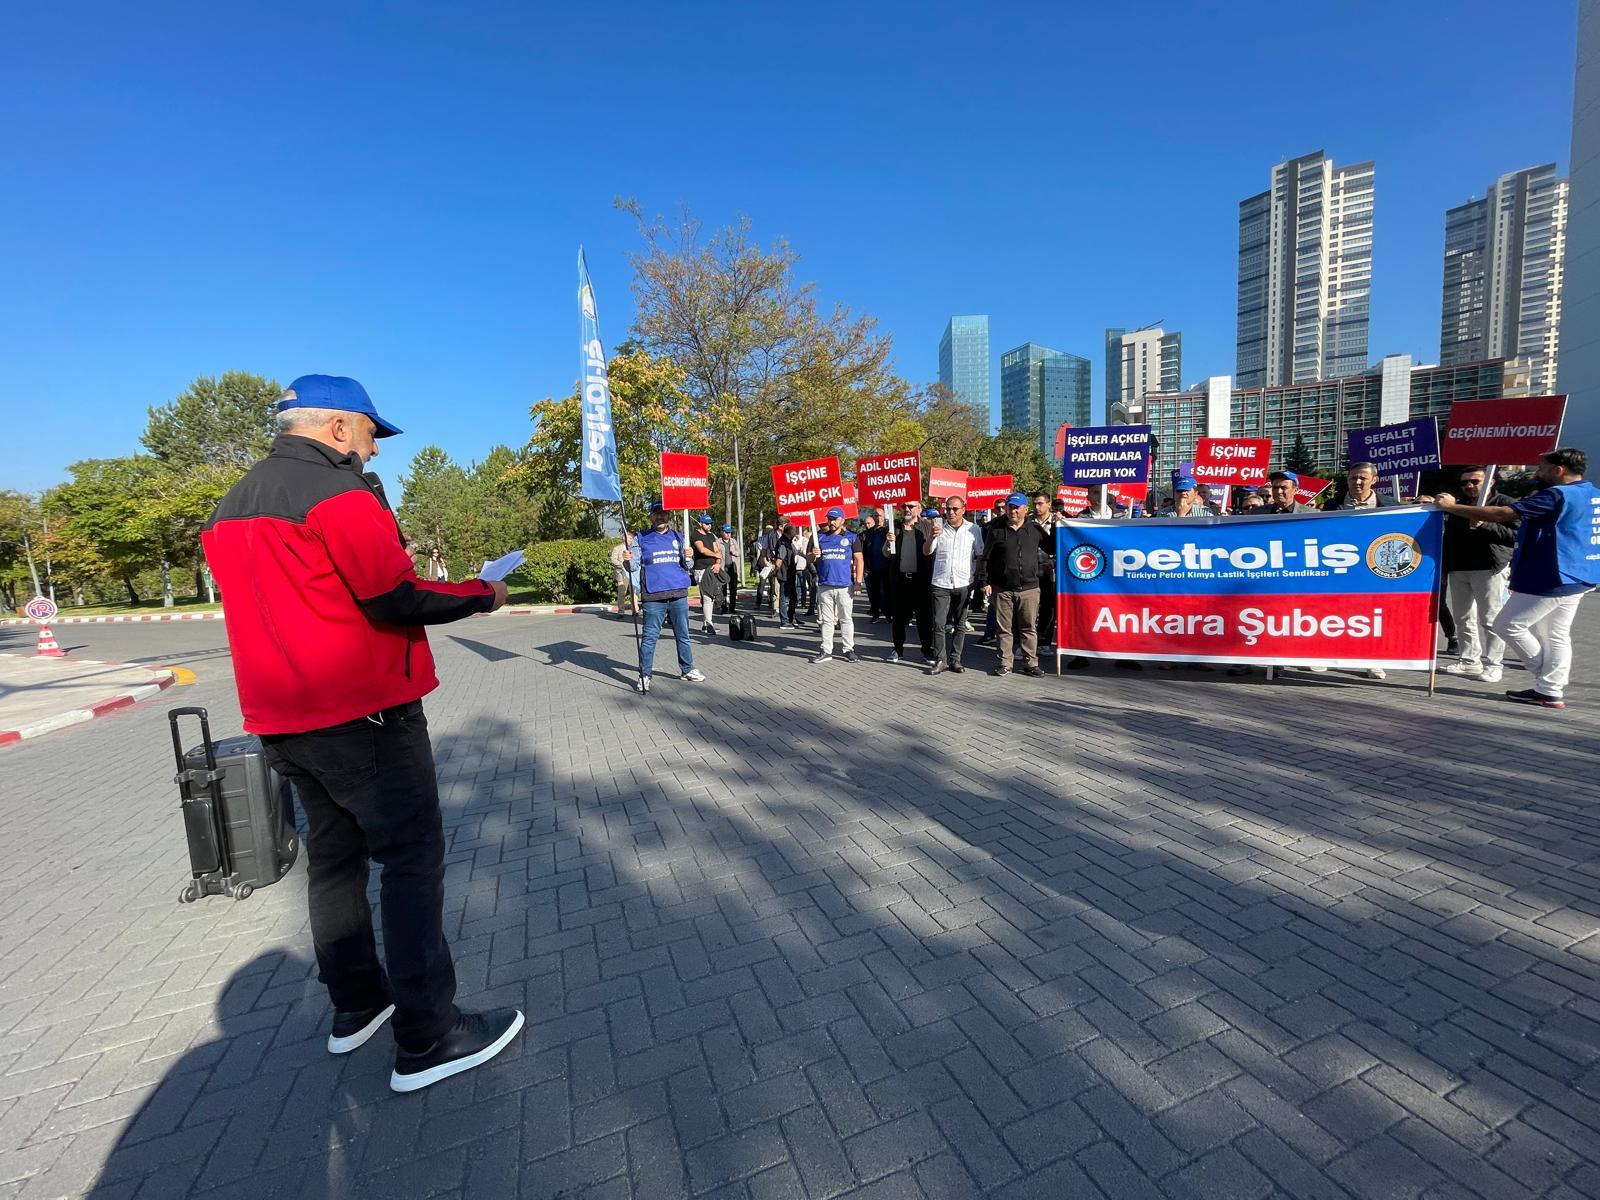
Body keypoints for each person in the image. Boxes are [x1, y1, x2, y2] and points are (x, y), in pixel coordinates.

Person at [200, 374, 523, 1094]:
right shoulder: (340, 495)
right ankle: (429, 1035)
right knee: (411, 862)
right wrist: (483, 593)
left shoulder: (228, 508)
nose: (374, 452)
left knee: (335, 863)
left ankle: (357, 1004)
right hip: (364, 715)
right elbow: (394, 594)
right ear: (340, 427)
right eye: (372, 435)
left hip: (282, 719)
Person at [1430, 448, 1600, 710]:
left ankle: (1545, 675)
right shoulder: (1591, 493)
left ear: (1559, 470)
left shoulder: (1556, 495)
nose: (1537, 472)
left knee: (1506, 625)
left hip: (1551, 575)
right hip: (1577, 574)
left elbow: (1503, 515)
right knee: (1555, 635)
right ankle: (1550, 690)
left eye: (1541, 468)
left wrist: (1451, 507)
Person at [1437, 466, 1517, 683]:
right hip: (1459, 568)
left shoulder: (1506, 503)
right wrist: (1445, 567)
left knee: (1491, 618)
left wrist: (1486, 525)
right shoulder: (1456, 506)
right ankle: (1469, 661)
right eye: (1464, 483)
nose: (1469, 486)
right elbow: (1448, 537)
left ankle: (1494, 664)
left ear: (1490, 482)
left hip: (1490, 568)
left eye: (1474, 481)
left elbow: (1516, 535)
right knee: (1464, 618)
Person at [624, 501, 707, 691]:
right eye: (656, 513)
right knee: (650, 637)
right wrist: (627, 561)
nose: (660, 516)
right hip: (653, 596)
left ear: (669, 515)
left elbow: (688, 566)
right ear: (651, 516)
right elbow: (634, 566)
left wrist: (689, 556)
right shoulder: (641, 538)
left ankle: (687, 669)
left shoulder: (679, 536)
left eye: (663, 513)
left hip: (678, 593)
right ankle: (644, 675)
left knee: (683, 635)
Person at [982, 493, 1050, 677]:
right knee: (1004, 629)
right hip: (1002, 588)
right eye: (1010, 506)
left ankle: (1030, 663)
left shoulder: (1034, 528)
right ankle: (1005, 662)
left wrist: (1060, 526)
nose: (1013, 510)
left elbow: (1051, 547)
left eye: (1017, 507)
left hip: (1029, 588)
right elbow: (985, 557)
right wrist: (984, 582)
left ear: (1025, 509)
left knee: (1029, 627)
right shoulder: (996, 529)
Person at [925, 495, 983, 675]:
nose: (950, 512)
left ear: (963, 510)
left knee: (960, 623)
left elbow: (979, 554)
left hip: (964, 582)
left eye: (954, 509)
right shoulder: (938, 528)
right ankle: (941, 659)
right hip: (941, 582)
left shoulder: (973, 529)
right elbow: (927, 551)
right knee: (939, 623)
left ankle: (955, 659)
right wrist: (931, 537)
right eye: (948, 509)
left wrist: (976, 577)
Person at [810, 506, 864, 664]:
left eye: (834, 519)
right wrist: (813, 554)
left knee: (846, 619)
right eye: (829, 518)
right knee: (826, 621)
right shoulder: (819, 537)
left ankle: (849, 649)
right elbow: (808, 560)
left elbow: (859, 560)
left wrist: (858, 583)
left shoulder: (852, 537)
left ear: (842, 520)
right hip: (825, 584)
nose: (831, 522)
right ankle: (826, 650)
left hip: (844, 585)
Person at [885, 501, 934, 664]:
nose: (907, 509)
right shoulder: (894, 527)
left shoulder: (927, 526)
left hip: (921, 581)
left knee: (924, 619)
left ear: (919, 509)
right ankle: (897, 649)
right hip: (899, 581)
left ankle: (927, 649)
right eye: (904, 506)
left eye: (911, 506)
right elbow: (886, 554)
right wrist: (888, 541)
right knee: (898, 618)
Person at [1032, 493, 1060, 652]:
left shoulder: (1058, 523)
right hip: (1031, 571)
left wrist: (1053, 562)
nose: (1037, 507)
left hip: (1050, 572)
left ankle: (1044, 641)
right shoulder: (1028, 522)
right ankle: (1025, 642)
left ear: (1048, 504)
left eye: (1040, 504)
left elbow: (1062, 547)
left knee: (1048, 608)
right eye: (1035, 504)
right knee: (1029, 608)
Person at [690, 514, 722, 635]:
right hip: (701, 569)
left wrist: (718, 563)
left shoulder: (711, 536)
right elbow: (702, 549)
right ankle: (709, 624)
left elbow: (716, 549)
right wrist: (716, 555)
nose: (709, 525)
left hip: (712, 569)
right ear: (700, 523)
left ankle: (705, 624)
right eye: (706, 523)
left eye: (710, 523)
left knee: (709, 597)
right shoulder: (695, 535)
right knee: (708, 597)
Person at [1324, 462, 1395, 511]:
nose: (1357, 482)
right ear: (1347, 479)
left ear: (1374, 480)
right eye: (1353, 478)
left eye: (1363, 478)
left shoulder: (1391, 505)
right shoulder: (1331, 505)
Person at [862, 509, 892, 624]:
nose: (878, 518)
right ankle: (875, 614)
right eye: (876, 516)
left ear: (884, 517)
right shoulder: (868, 533)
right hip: (872, 567)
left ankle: (889, 614)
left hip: (886, 567)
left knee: (886, 592)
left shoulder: (888, 532)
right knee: (873, 593)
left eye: (880, 516)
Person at [775, 522, 803, 629]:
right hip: (784, 573)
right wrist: (775, 572)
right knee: (784, 597)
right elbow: (779, 560)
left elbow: (796, 553)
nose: (795, 533)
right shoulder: (783, 543)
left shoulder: (789, 542)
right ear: (790, 532)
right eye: (794, 530)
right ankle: (784, 621)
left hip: (790, 572)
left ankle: (790, 618)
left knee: (793, 597)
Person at [609, 536, 639, 617]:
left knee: (634, 593)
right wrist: (622, 565)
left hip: (633, 574)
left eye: (630, 538)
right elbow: (613, 559)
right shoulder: (617, 548)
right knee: (622, 593)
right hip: (622, 574)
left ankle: (635, 610)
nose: (629, 540)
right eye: (627, 538)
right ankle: (621, 611)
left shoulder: (635, 548)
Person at [753, 523, 780, 614]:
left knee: (773, 584)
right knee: (762, 583)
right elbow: (759, 547)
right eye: (767, 530)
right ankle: (758, 602)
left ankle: (772, 602)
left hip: (772, 563)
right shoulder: (763, 538)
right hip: (764, 563)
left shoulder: (775, 537)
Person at [717, 524, 740, 613]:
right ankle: (723, 607)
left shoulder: (733, 541)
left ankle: (732, 608)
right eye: (726, 532)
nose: (728, 534)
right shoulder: (718, 542)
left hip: (732, 568)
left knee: (733, 589)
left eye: (729, 532)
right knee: (723, 589)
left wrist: (734, 552)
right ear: (722, 532)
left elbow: (739, 553)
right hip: (722, 569)